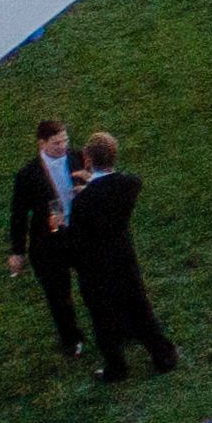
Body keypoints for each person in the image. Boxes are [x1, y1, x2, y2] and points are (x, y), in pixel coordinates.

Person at [62, 133, 174, 380]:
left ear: (88, 159)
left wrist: (61, 226)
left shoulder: (84, 201)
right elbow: (112, 187)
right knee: (141, 311)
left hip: (96, 269)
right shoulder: (129, 184)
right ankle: (164, 356)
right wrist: (92, 183)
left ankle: (117, 368)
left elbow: (76, 241)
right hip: (124, 260)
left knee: (103, 320)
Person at [3, 120, 85, 363]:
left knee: (98, 282)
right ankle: (72, 339)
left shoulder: (78, 158)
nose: (63, 146)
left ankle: (117, 326)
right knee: (59, 295)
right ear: (42, 143)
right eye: (57, 142)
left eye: (65, 141)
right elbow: (18, 215)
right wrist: (18, 251)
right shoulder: (28, 175)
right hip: (49, 244)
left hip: (79, 233)